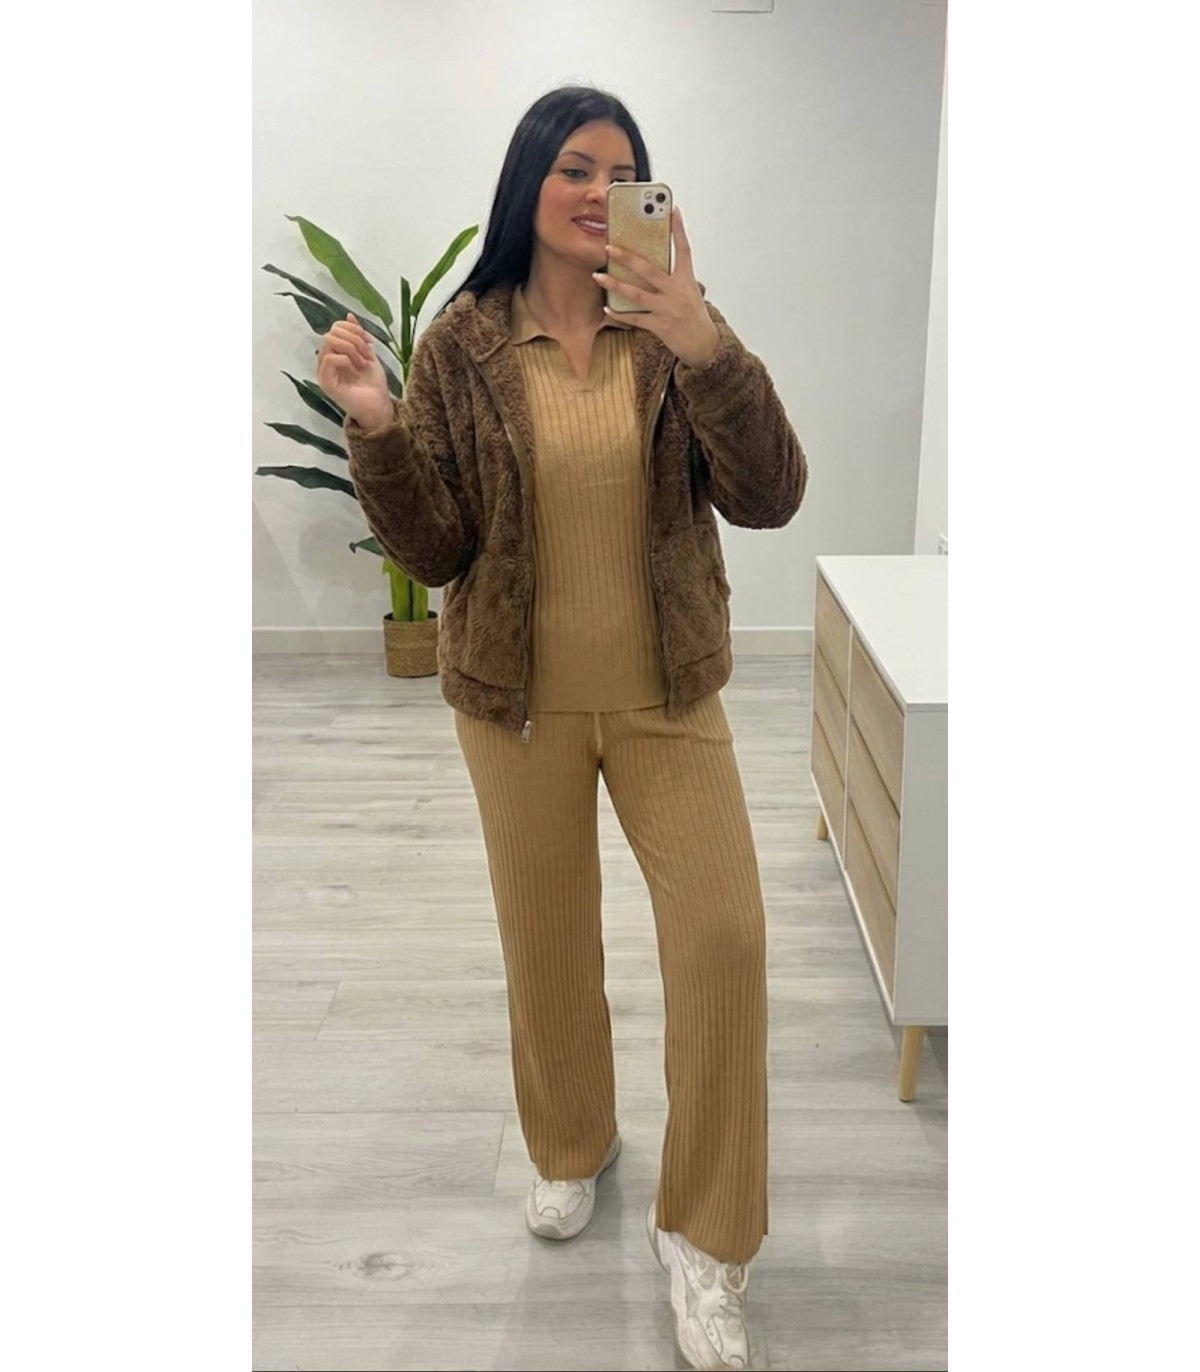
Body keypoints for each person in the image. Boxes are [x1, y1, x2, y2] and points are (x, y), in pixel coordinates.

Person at [318, 84, 808, 1372]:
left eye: (623, 173)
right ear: (527, 179)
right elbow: (437, 548)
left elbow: (771, 497)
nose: (600, 192)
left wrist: (706, 345)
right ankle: (570, 1141)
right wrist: (377, 428)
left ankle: (707, 1237)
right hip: (516, 700)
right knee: (547, 940)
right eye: (576, 167)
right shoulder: (462, 345)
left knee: (726, 940)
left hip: (669, 694)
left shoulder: (672, 325)